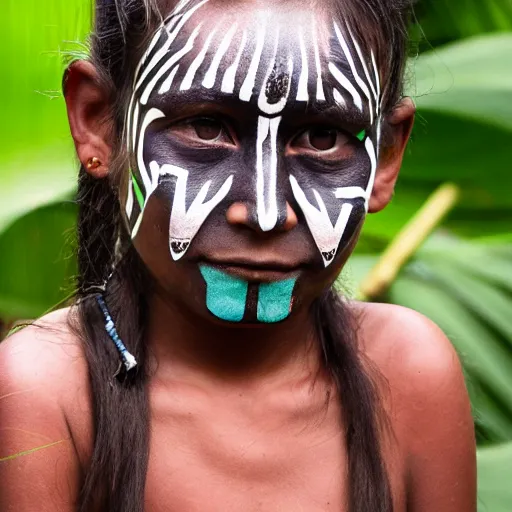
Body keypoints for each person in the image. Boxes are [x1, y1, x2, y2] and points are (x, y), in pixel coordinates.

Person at [0, 0, 476, 510]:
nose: (265, 213)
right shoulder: (46, 393)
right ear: (100, 123)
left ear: (385, 156)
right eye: (206, 128)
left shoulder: (408, 376)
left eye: (322, 137)